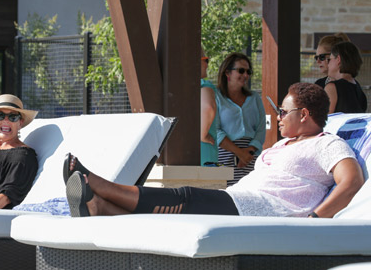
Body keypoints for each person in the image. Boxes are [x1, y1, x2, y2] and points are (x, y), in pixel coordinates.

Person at [65, 83, 364, 219]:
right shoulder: (284, 144)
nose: (278, 116)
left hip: (268, 209)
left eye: (282, 111)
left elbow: (351, 181)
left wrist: (317, 217)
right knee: (183, 204)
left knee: (186, 197)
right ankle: (101, 207)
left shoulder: (327, 143)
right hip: (242, 199)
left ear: (305, 114)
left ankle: (98, 184)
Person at [215, 52, 266, 185]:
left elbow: (261, 129)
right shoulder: (215, 96)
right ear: (227, 73)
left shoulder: (255, 98)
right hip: (224, 157)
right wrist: (238, 152)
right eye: (241, 70)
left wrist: (248, 152)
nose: (246, 75)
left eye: (248, 71)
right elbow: (215, 130)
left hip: (250, 158)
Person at [325, 41, 367, 114]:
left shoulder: (332, 87)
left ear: (338, 59)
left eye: (330, 59)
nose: (328, 64)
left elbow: (325, 120)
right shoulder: (358, 88)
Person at [200, 47, 219, 165]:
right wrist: (203, 135)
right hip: (205, 155)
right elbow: (208, 107)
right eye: (206, 60)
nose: (207, 64)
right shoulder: (204, 85)